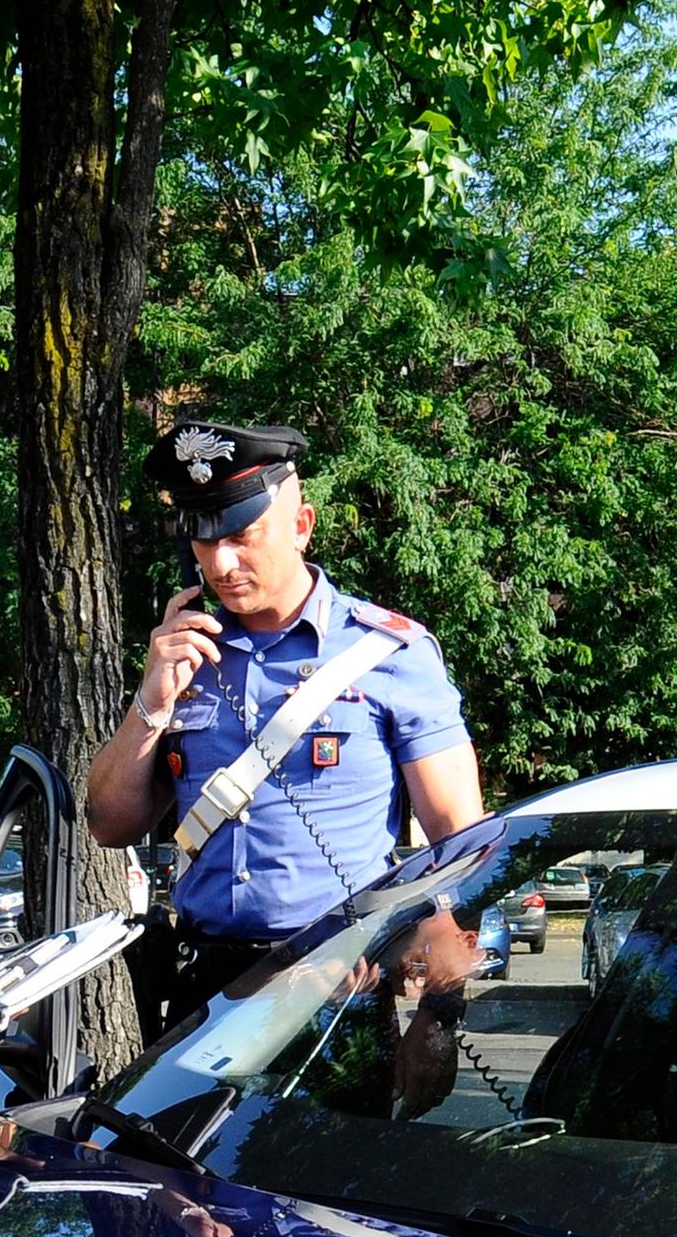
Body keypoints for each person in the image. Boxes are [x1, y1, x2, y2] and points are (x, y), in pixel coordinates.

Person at [82, 421, 485, 1035]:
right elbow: (109, 824)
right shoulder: (185, 651)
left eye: (243, 536)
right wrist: (150, 701)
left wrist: (440, 1011)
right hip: (202, 991)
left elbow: (460, 838)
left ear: (301, 527)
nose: (221, 562)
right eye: (202, 538)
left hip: (337, 988)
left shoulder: (389, 653)